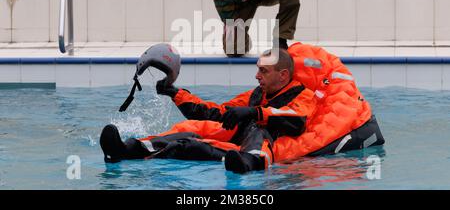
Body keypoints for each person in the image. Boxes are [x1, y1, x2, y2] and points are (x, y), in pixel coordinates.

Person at [100, 45, 385, 174]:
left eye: (263, 71)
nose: (257, 76)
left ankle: (249, 162)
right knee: (189, 134)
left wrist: (256, 114)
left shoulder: (303, 95)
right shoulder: (257, 94)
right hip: (239, 138)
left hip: (267, 143)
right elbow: (216, 112)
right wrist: (176, 94)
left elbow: (296, 121)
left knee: (257, 129)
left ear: (283, 76)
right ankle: (130, 148)